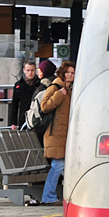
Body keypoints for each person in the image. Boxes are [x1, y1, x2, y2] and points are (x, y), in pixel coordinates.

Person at [39, 60, 74, 205]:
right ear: (62, 73)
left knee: (62, 165)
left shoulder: (71, 90)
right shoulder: (55, 87)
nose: (70, 75)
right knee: (58, 165)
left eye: (72, 73)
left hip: (64, 134)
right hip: (54, 134)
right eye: (67, 72)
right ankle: (48, 197)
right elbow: (44, 106)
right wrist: (59, 95)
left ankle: (52, 196)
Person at [8, 60, 39, 129]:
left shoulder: (40, 84)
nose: (30, 73)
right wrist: (13, 122)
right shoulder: (19, 85)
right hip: (23, 118)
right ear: (24, 70)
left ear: (35, 70)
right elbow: (14, 104)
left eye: (32, 70)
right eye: (28, 70)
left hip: (37, 118)